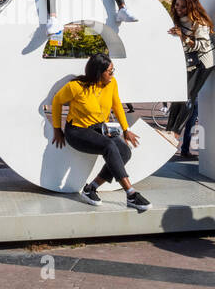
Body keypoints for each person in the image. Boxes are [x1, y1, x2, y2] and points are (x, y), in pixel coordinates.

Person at [50, 54, 151, 211]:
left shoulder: (111, 83)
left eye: (113, 70)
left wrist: (126, 129)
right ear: (98, 72)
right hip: (77, 131)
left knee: (124, 151)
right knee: (109, 146)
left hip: (99, 129)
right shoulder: (76, 86)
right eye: (109, 71)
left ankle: (91, 188)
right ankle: (131, 194)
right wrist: (57, 129)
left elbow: (117, 105)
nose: (112, 74)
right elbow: (57, 101)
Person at [166, 0, 215, 160]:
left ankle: (176, 133)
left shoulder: (199, 21)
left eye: (183, 7)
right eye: (177, 5)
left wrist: (184, 38)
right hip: (189, 62)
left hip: (204, 62)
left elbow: (203, 45)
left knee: (188, 96)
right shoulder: (178, 19)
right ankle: (169, 130)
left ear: (190, 6)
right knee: (178, 96)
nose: (179, 9)